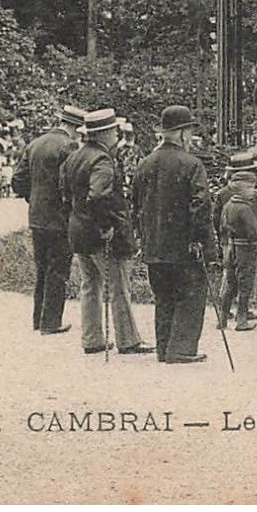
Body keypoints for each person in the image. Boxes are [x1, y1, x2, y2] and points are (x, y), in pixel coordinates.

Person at [131, 105, 219, 364]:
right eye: (189, 132)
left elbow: (135, 204)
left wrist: (143, 237)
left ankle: (164, 348)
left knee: (164, 297)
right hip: (185, 247)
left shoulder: (144, 165)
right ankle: (181, 349)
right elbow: (201, 205)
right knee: (191, 295)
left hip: (154, 246)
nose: (190, 138)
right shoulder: (192, 165)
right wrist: (200, 240)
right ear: (181, 134)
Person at [63, 107, 150, 356]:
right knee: (118, 286)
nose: (116, 135)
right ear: (105, 134)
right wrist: (106, 226)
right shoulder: (102, 160)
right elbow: (99, 195)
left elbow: (65, 192)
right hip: (101, 234)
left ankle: (92, 339)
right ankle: (128, 339)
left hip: (78, 231)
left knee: (90, 285)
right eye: (114, 131)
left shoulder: (75, 156)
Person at [12, 105, 85, 335]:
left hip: (36, 216)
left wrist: (32, 198)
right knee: (58, 269)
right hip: (59, 218)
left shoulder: (35, 143)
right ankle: (51, 322)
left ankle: (39, 319)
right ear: (74, 128)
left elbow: (17, 180)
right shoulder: (69, 146)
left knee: (42, 268)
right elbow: (71, 183)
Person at [218, 156, 257, 332]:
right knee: (246, 284)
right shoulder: (244, 208)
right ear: (242, 189)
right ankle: (242, 319)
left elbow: (222, 223)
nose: (253, 190)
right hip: (248, 248)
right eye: (251, 187)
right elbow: (256, 231)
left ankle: (223, 319)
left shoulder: (229, 205)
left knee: (231, 283)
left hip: (234, 245)